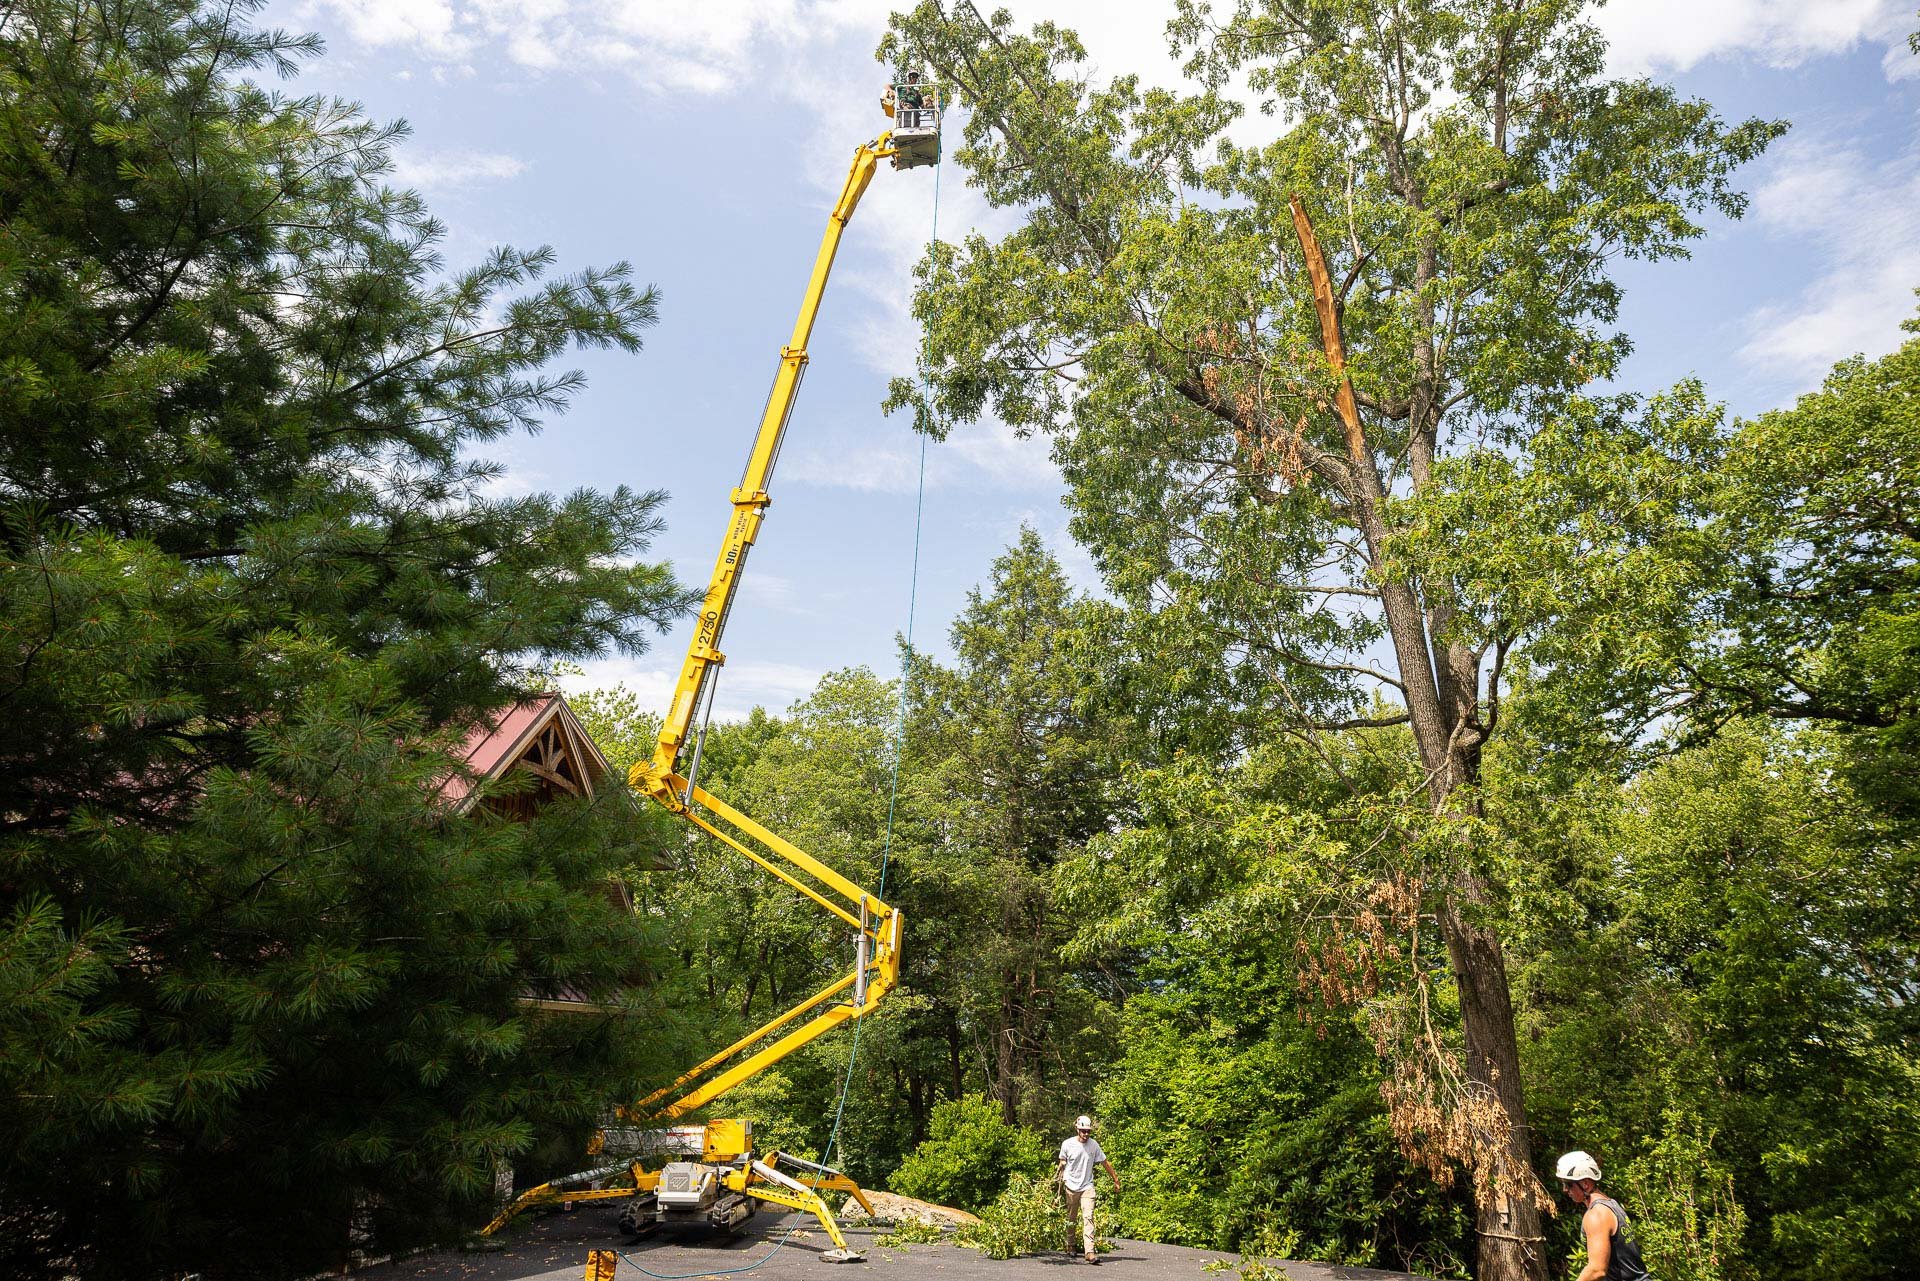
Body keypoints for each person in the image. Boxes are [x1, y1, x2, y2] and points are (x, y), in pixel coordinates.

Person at [1556, 1150, 1652, 1281]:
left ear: (1585, 1183)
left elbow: (1597, 1270)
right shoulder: (1611, 1204)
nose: (1565, 1190)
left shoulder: (1596, 1215)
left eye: (1568, 1184)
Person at [1056, 1114, 1120, 1264]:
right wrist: (1062, 1166)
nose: (1086, 1134)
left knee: (1088, 1217)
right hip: (1071, 1186)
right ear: (1077, 1129)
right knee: (1071, 1218)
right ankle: (1071, 1245)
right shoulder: (1067, 1144)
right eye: (1083, 1131)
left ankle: (1089, 1252)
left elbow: (1104, 1162)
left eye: (1088, 1131)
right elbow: (1062, 1159)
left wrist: (1116, 1180)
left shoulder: (1094, 1145)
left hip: (1087, 1187)